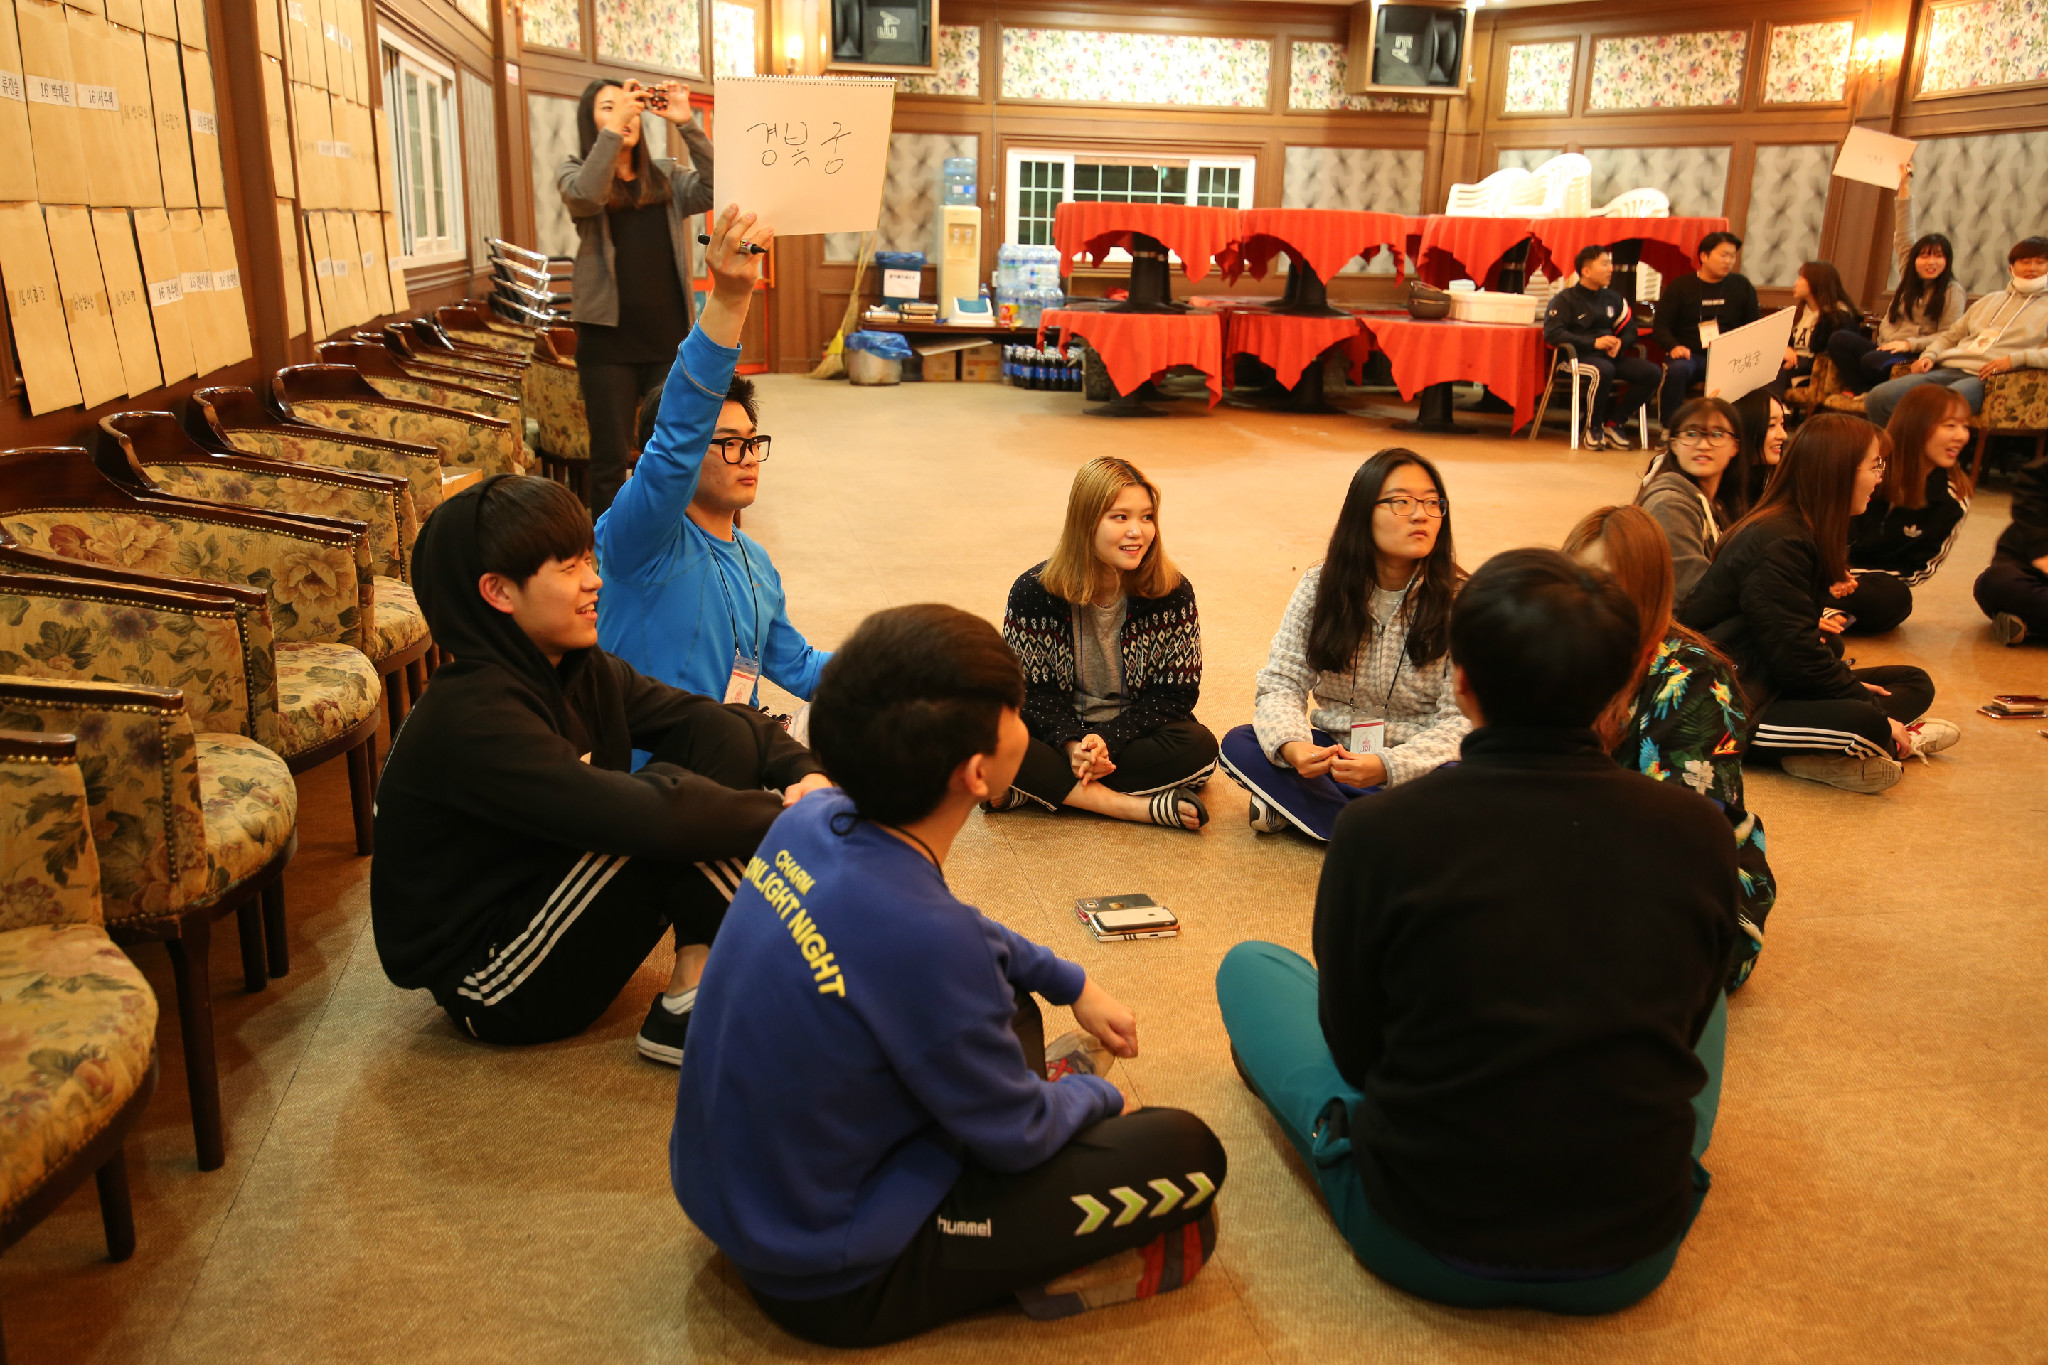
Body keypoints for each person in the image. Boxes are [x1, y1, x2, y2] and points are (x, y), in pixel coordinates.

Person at [672, 604, 1227, 1347]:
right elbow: (1019, 1130)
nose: (1027, 724)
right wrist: (1095, 1097)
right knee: (1187, 1155)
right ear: (978, 773)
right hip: (833, 1276)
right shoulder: (927, 939)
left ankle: (1007, 1098)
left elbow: (960, 933)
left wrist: (1071, 981)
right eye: (1017, 713)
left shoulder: (810, 818)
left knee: (1012, 997)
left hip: (738, 1199)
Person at [1216, 548, 1737, 1314]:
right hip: (1631, 1249)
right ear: (1624, 685)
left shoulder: (1381, 832)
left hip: (1421, 1235)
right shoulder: (1697, 830)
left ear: (1461, 683)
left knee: (1251, 967)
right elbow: (1687, 1018)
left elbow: (1357, 1053)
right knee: (1705, 994)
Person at [370, 474, 830, 1065]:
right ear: (499, 591)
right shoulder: (472, 717)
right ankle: (813, 965)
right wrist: (795, 820)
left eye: (590, 560)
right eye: (569, 568)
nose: (594, 581)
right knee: (666, 810)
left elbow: (709, 720)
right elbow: (647, 815)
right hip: (496, 978)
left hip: (552, 889)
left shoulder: (577, 668)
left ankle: (696, 991)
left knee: (716, 740)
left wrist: (803, 774)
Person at [595, 206, 830, 717]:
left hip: (735, 750)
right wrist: (729, 297)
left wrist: (898, 666)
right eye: (726, 443)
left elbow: (801, 667)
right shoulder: (641, 538)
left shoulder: (755, 561)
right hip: (658, 762)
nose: (747, 457)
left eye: (752, 441)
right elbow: (679, 436)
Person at [1677, 414, 1960, 794]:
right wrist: (1867, 708)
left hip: (1766, 676)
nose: (1880, 478)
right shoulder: (1780, 540)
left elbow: (1795, 646)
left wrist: (1846, 686)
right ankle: (1881, 740)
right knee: (1866, 720)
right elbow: (1794, 657)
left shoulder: (1802, 527)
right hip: (1724, 698)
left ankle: (1832, 750)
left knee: (1912, 682)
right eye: (1875, 466)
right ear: (1838, 472)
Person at [1563, 505, 1775, 989]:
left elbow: (1676, 835)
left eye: (1609, 584)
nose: (1587, 600)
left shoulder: (1693, 676)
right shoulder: (1558, 652)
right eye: (1577, 580)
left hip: (1680, 881)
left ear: (1649, 589)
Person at [1220, 450, 1468, 841]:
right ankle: (1386, 828)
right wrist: (1294, 747)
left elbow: (1462, 720)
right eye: (1402, 502)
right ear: (1362, 512)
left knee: (1468, 774)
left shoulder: (1462, 600)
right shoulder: (1321, 587)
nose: (1421, 515)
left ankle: (1310, 813)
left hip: (1418, 761)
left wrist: (1387, 765)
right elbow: (1282, 683)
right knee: (1243, 743)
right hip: (1334, 753)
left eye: (1431, 503)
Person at [994, 458, 1215, 831]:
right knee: (985, 732)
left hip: (1132, 734)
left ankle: (1035, 789)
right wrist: (1071, 745)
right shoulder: (1033, 592)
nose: (1137, 532)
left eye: (1147, 517)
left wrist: (1107, 740)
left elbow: (1174, 696)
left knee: (1199, 747)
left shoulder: (1172, 591)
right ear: (1085, 522)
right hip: (1055, 731)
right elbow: (1030, 693)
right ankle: (1133, 808)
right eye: (1120, 517)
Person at [559, 76, 715, 516]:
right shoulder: (575, 174)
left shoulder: (665, 177)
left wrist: (686, 123)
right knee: (609, 459)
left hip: (666, 340)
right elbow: (588, 194)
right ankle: (609, 549)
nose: (624, 115)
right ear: (591, 122)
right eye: (608, 107)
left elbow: (715, 187)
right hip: (607, 344)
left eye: (629, 106)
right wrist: (615, 131)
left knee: (669, 453)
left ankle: (666, 539)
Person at [1862, 235, 2048, 429]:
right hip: (1951, 368)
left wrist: (2014, 359)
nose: (2032, 268)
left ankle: (1920, 448)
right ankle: (1894, 447)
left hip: (1990, 379)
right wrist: (1929, 355)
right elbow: (1950, 336)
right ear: (2011, 268)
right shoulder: (1989, 300)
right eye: (2025, 262)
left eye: (2040, 262)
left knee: (1939, 407)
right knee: (1879, 397)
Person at [1839, 383, 1976, 634]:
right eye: (1950, 425)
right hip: (1818, 565)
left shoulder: (1951, 501)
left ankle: (1815, 608)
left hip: (1866, 585)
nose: (1961, 436)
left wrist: (1848, 578)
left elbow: (1917, 571)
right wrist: (1831, 571)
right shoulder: (1864, 467)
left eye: (1965, 426)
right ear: (1916, 425)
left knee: (1895, 599)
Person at [1824, 165, 1966, 395]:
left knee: (1871, 361)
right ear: (1915, 260)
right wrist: (1904, 185)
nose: (1931, 262)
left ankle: (1870, 391)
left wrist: (1909, 344)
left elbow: (1949, 335)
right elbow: (1904, 234)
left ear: (1947, 261)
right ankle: (1862, 391)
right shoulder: (1909, 277)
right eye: (1924, 256)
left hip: (1914, 351)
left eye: (1938, 257)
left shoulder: (1952, 291)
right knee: (1839, 340)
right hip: (1886, 346)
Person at [1541, 245, 1660, 449]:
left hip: (1609, 357)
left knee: (1651, 373)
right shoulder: (1564, 299)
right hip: (1575, 358)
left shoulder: (1614, 299)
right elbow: (1553, 333)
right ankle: (1593, 428)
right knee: (1603, 370)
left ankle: (1615, 423)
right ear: (1586, 271)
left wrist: (1621, 342)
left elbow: (1630, 329)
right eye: (1604, 264)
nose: (1610, 269)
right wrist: (1593, 342)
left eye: (1610, 264)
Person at [1635, 397, 1740, 602]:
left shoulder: (1720, 503)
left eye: (1717, 434)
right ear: (1673, 444)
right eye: (1691, 434)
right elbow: (1692, 595)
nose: (1704, 445)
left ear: (1735, 446)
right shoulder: (1669, 505)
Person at [1652, 231, 1762, 427]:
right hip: (1690, 355)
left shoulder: (1741, 286)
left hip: (1729, 357)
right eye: (1723, 255)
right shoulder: (1681, 286)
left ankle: (1735, 428)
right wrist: (1674, 346)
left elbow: (1754, 325)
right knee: (1677, 370)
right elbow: (1660, 325)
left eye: (1732, 256)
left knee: (1752, 373)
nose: (1729, 261)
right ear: (1704, 256)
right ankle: (1669, 428)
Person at [1974, 448, 2048, 645]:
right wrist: (2041, 550)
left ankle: (2030, 626)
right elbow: (2033, 477)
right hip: (2029, 571)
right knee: (1995, 583)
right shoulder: (2039, 477)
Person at [1780, 261, 1862, 383]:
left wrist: (1797, 363)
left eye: (1801, 278)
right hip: (1790, 368)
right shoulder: (1799, 312)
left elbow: (1830, 358)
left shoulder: (1839, 317)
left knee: (1772, 377)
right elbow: (1782, 342)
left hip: (1812, 375)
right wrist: (1784, 349)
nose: (1795, 283)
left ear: (1816, 281)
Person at [1734, 388, 1788, 509]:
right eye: (1771, 425)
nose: (1783, 435)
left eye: (1782, 424)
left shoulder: (1773, 483)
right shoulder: (1721, 491)